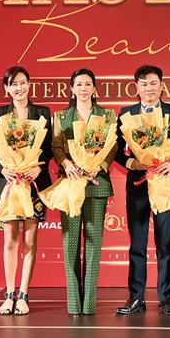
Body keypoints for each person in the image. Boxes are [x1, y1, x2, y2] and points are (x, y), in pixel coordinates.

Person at [114, 65, 170, 316]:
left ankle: (166, 299)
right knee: (137, 244)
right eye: (144, 84)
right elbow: (115, 151)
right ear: (136, 87)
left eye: (154, 83)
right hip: (138, 185)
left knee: (165, 244)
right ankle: (136, 298)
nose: (149, 88)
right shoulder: (126, 113)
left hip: (165, 185)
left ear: (161, 86)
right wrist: (132, 163)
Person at [0, 65, 52, 315]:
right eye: (13, 84)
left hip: (33, 183)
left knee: (30, 240)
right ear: (7, 88)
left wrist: (39, 167)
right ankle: (9, 294)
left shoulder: (42, 112)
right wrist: (2, 169)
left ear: (29, 84)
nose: (19, 88)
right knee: (10, 240)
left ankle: (23, 294)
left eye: (23, 82)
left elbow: (49, 147)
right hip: (10, 183)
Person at [52, 69, 117, 315]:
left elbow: (113, 146)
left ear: (94, 88)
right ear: (72, 89)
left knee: (93, 243)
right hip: (70, 183)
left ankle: (88, 304)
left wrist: (98, 166)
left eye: (88, 84)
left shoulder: (107, 115)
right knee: (70, 244)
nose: (83, 88)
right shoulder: (61, 116)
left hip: (96, 184)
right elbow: (56, 146)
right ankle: (73, 303)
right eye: (79, 84)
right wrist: (67, 164)